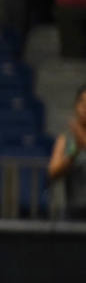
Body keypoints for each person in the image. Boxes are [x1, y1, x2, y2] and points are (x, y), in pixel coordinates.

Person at [48, 85, 86, 219]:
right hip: (74, 210)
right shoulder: (66, 138)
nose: (84, 108)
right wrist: (73, 153)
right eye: (81, 102)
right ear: (76, 105)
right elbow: (53, 171)